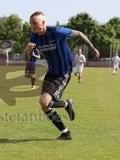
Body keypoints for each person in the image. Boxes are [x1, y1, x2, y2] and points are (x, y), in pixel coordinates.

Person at [25, 11, 100, 140]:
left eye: (35, 23)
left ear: (43, 23)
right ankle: (66, 132)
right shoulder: (34, 37)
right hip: (51, 73)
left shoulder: (56, 31)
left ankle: (67, 104)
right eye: (31, 23)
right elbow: (28, 57)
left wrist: (92, 48)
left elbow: (79, 34)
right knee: (44, 104)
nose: (32, 26)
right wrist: (27, 51)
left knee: (46, 102)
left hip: (63, 72)